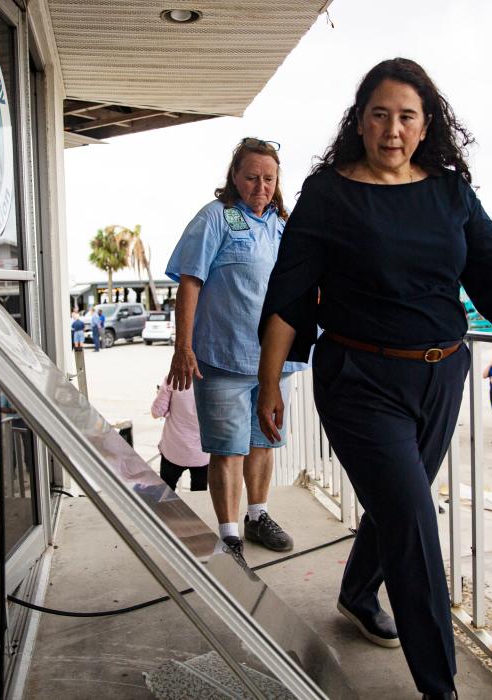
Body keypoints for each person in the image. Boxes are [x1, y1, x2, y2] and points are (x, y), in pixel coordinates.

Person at [254, 58, 492, 699]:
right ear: (359, 121)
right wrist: (269, 383)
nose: (392, 129)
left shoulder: (448, 191)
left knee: (398, 505)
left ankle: (359, 593)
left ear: (425, 125)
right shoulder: (328, 193)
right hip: (360, 379)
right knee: (415, 520)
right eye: (380, 114)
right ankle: (440, 688)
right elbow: (289, 296)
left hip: (441, 376)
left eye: (406, 116)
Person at [165, 137, 307, 566]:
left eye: (268, 177)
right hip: (224, 357)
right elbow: (190, 281)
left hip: (273, 362)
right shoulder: (217, 217)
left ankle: (257, 516)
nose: (260, 185)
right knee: (228, 449)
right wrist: (182, 347)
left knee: (263, 442)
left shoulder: (282, 224)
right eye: (251, 177)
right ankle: (229, 537)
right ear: (235, 175)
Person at [150, 377, 208, 492]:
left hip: (173, 451)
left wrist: (160, 395)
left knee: (165, 494)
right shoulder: (213, 380)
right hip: (202, 454)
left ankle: (167, 510)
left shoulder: (172, 379)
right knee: (198, 495)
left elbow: (157, 412)